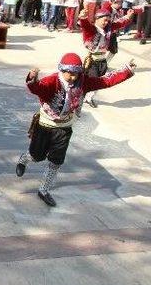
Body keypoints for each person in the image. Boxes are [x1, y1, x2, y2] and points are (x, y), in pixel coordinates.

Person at [16, 53, 136, 207]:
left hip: (64, 128)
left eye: (76, 74)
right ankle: (23, 159)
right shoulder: (52, 81)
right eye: (70, 74)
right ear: (62, 70)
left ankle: (44, 190)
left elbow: (104, 81)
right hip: (45, 126)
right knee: (36, 156)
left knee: (56, 161)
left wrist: (126, 71)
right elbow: (37, 88)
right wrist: (32, 78)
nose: (73, 77)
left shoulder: (83, 82)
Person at [80, 8, 135, 108]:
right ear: (97, 18)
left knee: (100, 81)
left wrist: (128, 16)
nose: (106, 22)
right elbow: (85, 25)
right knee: (91, 80)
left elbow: (119, 23)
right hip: (92, 60)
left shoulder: (108, 28)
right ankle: (82, 96)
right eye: (104, 20)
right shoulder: (91, 29)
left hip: (102, 60)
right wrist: (83, 17)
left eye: (108, 20)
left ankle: (89, 97)